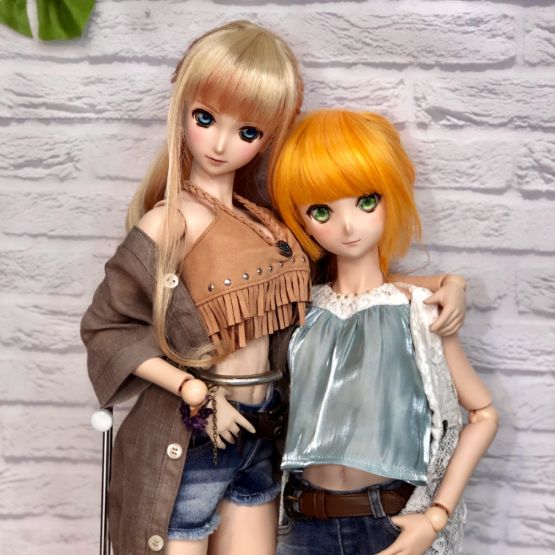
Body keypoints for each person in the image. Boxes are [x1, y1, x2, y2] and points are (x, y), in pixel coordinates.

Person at [81, 21, 467, 555]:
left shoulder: (267, 224)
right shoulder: (170, 221)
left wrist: (443, 284)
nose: (221, 144)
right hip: (196, 438)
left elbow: (343, 292)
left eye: (248, 132)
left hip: (260, 439)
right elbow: (108, 326)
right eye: (205, 119)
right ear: (182, 108)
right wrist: (194, 392)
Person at [270, 109, 499, 555]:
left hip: (389, 523)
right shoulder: (302, 313)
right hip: (304, 526)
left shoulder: (416, 311)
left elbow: (484, 414)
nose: (347, 226)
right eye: (321, 211)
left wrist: (436, 516)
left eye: (366, 201)